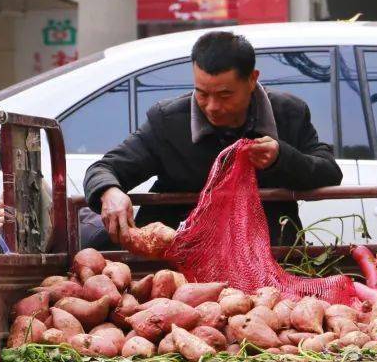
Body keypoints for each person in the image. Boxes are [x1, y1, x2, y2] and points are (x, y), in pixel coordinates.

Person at [84, 31, 343, 248]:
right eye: (202, 93)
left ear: (252, 80)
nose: (212, 106)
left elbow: (328, 171)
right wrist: (110, 191)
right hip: (179, 261)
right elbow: (104, 169)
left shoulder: (289, 113)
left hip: (268, 259)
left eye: (225, 95)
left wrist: (281, 158)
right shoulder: (168, 121)